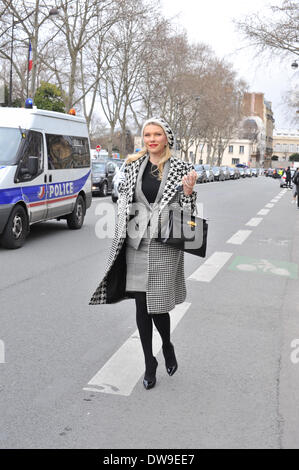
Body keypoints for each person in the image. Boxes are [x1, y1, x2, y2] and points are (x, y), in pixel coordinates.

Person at [89, 117, 198, 390]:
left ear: (166, 138)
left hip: (164, 244)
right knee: (140, 305)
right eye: (147, 134)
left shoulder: (182, 168)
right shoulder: (132, 165)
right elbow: (124, 200)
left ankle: (167, 345)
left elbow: (189, 214)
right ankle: (150, 362)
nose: (151, 139)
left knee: (157, 306)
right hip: (135, 243)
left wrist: (187, 192)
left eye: (157, 134)